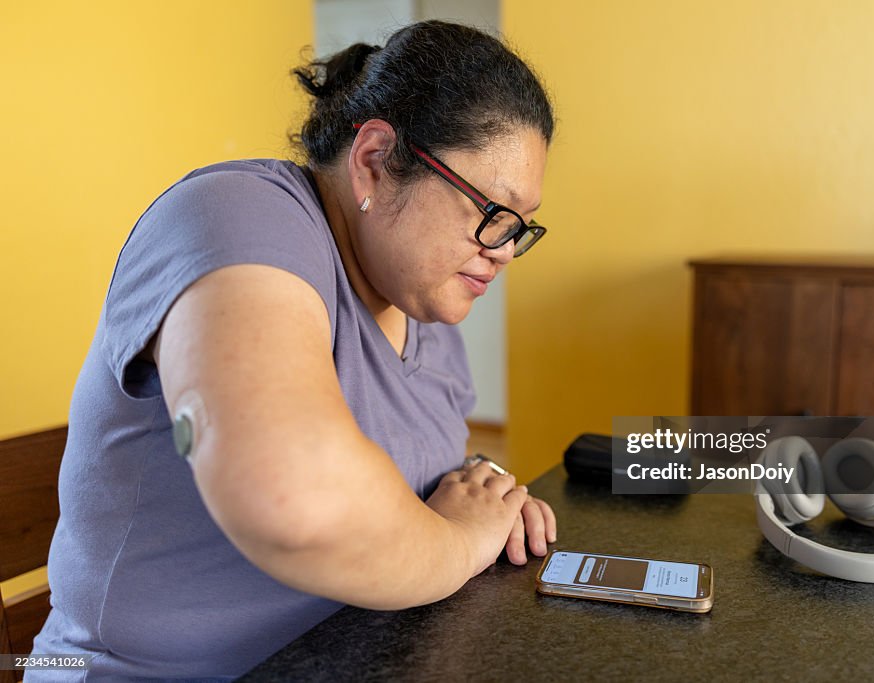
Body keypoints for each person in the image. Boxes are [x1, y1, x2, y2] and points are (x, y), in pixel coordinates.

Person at [29, 20, 557, 680]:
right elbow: (295, 501)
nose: (505, 251)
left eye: (520, 227)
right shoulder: (236, 216)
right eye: (492, 213)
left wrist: (484, 495)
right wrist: (461, 539)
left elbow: (399, 468)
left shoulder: (430, 312)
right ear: (371, 161)